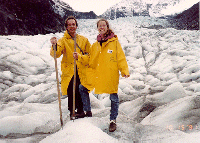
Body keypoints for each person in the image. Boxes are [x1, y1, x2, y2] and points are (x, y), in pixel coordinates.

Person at [88, 19, 130, 132]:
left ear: (107, 27)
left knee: (113, 97)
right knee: (83, 88)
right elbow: (89, 58)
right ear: (97, 28)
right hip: (100, 74)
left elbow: (120, 57)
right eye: (100, 26)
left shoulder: (114, 42)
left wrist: (124, 70)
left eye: (104, 25)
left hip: (111, 73)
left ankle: (113, 120)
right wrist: (79, 58)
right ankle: (87, 114)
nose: (102, 27)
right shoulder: (95, 44)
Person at [50, 16, 92, 119]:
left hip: (81, 68)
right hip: (69, 70)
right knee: (70, 89)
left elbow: (90, 55)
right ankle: (72, 111)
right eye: (69, 25)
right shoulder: (63, 41)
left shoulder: (83, 40)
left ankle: (82, 111)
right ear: (66, 27)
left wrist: (81, 57)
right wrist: (54, 46)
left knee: (80, 89)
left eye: (73, 24)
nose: (72, 26)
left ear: (76, 26)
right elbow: (56, 54)